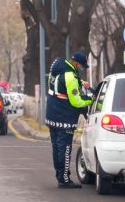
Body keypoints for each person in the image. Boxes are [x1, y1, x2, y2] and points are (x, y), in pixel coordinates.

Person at [45, 51, 92, 188]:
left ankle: (59, 176)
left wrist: (80, 83)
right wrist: (90, 100)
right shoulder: (70, 76)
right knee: (65, 148)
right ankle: (64, 179)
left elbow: (61, 84)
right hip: (64, 117)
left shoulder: (58, 67)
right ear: (76, 63)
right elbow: (76, 101)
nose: (80, 68)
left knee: (56, 147)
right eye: (81, 66)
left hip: (52, 115)